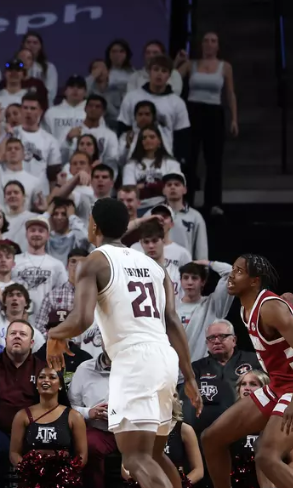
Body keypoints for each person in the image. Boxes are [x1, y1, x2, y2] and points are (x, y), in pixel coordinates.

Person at [46, 197, 201, 488]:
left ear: (94, 225)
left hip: (134, 361)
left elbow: (81, 319)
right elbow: (173, 321)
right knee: (153, 454)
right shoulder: (155, 266)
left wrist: (54, 333)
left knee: (134, 459)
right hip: (165, 360)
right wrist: (189, 376)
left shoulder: (95, 260)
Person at [201, 255, 293, 488]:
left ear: (255, 281)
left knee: (266, 456)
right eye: (232, 269)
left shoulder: (270, 308)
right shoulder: (246, 308)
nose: (232, 275)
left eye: (239, 271)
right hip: (277, 386)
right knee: (211, 438)